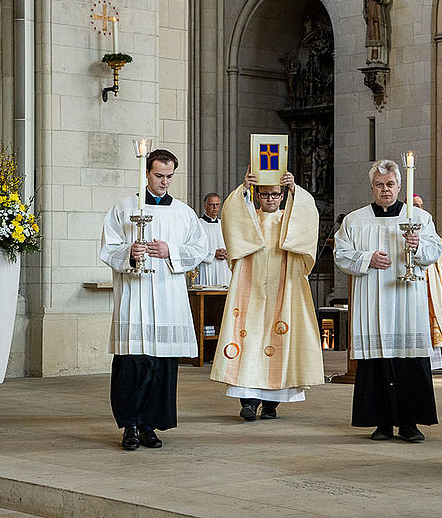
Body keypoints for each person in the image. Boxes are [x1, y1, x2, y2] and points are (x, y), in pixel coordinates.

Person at [100, 149, 208, 451]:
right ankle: (130, 426)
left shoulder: (184, 213)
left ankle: (149, 426)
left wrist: (170, 250)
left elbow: (199, 248)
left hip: (167, 296)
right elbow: (109, 247)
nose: (164, 182)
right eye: (159, 175)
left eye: (169, 176)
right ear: (146, 173)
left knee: (161, 366)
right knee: (133, 363)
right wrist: (129, 252)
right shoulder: (124, 209)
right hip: (135, 296)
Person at [334, 160, 442, 442]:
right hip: (372, 299)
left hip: (407, 300)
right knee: (376, 360)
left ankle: (409, 424)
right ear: (372, 187)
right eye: (380, 185)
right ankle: (381, 423)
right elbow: (341, 253)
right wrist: (367, 258)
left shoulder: (419, 217)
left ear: (399, 186)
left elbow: (435, 249)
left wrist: (418, 246)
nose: (385, 190)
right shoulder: (355, 220)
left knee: (409, 359)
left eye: (391, 184)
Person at [209, 169, 324, 421]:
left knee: (280, 342)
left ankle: (272, 405)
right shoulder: (250, 217)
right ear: (257, 196)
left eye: (275, 194)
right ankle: (248, 402)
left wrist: (296, 189)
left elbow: (307, 215)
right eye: (264, 194)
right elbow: (231, 215)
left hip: (284, 288)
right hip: (250, 288)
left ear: (282, 196)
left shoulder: (289, 219)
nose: (270, 199)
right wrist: (243, 188)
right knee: (248, 342)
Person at [412, 194, 442, 372]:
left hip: (428, 283)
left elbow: (438, 248)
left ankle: (432, 362)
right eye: (415, 205)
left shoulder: (426, 224)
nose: (419, 208)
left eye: (421, 205)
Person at [195, 193, 232, 287]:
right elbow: (194, 248)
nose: (215, 207)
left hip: (223, 268)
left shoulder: (224, 224)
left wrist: (228, 253)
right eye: (212, 205)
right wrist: (212, 254)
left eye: (217, 204)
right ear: (205, 205)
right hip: (207, 267)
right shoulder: (198, 225)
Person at [364, 0, 393, 65]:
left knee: (379, 34)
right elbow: (365, 2)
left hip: (379, 16)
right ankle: (371, 58)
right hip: (370, 17)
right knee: (371, 35)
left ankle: (380, 58)